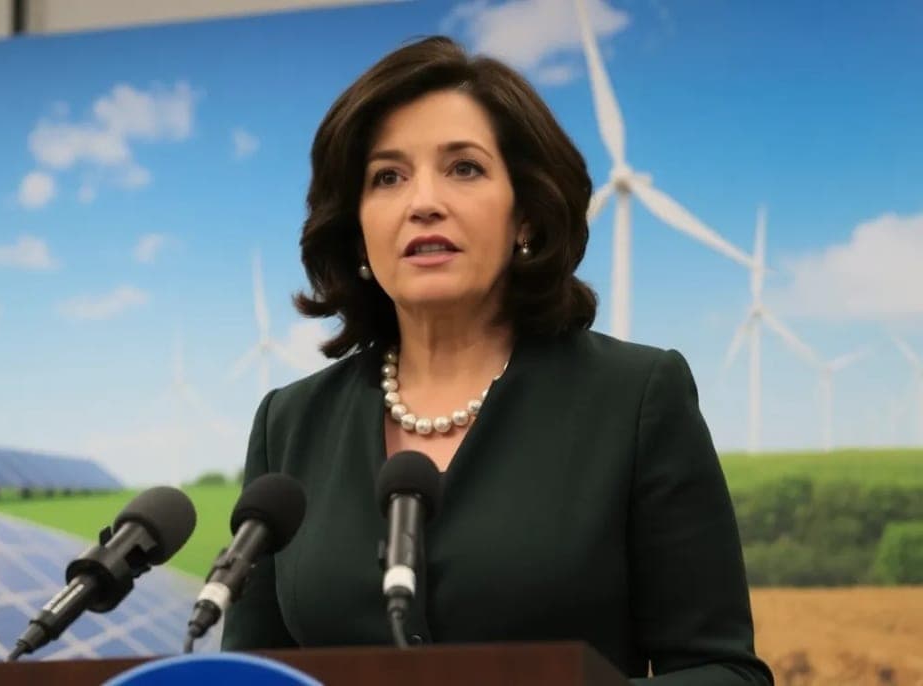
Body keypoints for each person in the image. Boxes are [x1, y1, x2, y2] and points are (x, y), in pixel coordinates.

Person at [220, 35, 773, 685]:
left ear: (527, 218)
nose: (423, 200)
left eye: (464, 168)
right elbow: (251, 672)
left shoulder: (636, 398)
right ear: (358, 228)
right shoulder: (291, 422)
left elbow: (724, 672)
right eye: (388, 176)